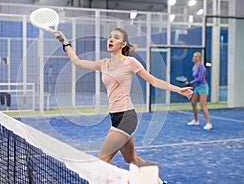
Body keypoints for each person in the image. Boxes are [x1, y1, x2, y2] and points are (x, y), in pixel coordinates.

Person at [53, 28, 192, 183]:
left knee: (102, 160)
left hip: (126, 117)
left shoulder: (130, 62)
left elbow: (153, 80)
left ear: (123, 44)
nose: (110, 39)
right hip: (115, 117)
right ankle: (159, 182)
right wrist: (64, 42)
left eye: (116, 38)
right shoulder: (104, 64)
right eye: (110, 37)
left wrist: (179, 89)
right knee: (131, 159)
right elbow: (78, 62)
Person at [184, 52, 212, 130]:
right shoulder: (195, 67)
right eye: (194, 56)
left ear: (200, 58)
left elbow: (200, 79)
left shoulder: (201, 67)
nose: (194, 58)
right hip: (197, 87)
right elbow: (196, 79)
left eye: (196, 57)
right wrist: (191, 83)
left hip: (203, 87)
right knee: (193, 103)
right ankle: (196, 121)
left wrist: (190, 83)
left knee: (202, 105)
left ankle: (209, 123)